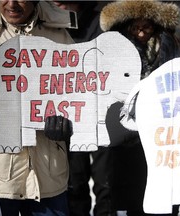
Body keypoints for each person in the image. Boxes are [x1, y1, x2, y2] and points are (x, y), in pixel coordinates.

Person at [0, 1, 77, 215]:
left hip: (48, 173)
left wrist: (68, 123)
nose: (11, 4)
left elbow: (77, 96)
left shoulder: (58, 33)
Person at [100, 1, 180, 215]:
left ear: (156, 25)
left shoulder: (169, 45)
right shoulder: (112, 50)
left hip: (164, 138)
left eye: (146, 25)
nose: (141, 31)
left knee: (164, 200)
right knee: (131, 199)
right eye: (135, 26)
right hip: (124, 140)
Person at [65, 2, 116, 216]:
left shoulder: (105, 19)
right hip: (68, 114)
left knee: (107, 182)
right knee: (74, 182)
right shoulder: (46, 22)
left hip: (103, 112)